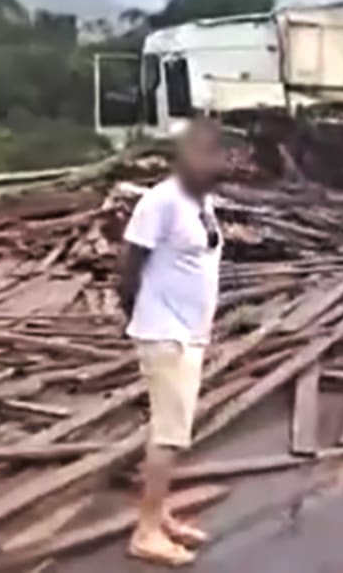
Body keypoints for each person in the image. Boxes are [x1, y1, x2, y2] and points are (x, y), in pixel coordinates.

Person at [119, 118, 226, 566]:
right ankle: (145, 532)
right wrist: (145, 319)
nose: (217, 161)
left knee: (173, 432)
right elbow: (128, 268)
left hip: (189, 333)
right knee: (168, 435)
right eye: (205, 153)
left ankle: (159, 513)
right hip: (166, 335)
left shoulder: (202, 201)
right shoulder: (160, 202)